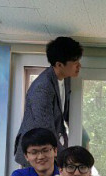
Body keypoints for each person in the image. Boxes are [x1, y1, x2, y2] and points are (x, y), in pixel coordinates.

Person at [14, 37, 83, 166]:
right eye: (75, 62)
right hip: (36, 152)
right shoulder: (42, 88)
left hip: (50, 147)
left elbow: (64, 114)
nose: (79, 66)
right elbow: (45, 129)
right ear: (59, 65)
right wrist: (65, 158)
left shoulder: (66, 79)